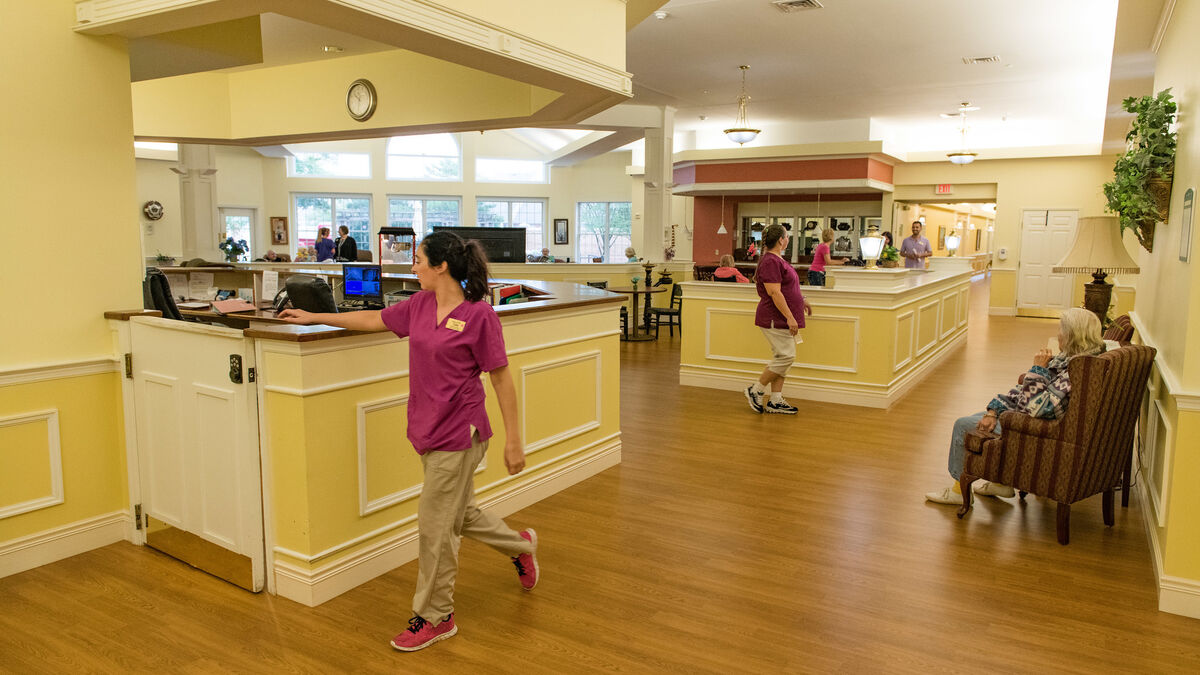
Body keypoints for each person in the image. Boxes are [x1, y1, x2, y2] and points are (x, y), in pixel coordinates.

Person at [277, 231, 538, 652]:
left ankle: (436, 615)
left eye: (418, 260)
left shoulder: (479, 316)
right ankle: (520, 545)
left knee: (436, 527)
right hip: (427, 426)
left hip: (460, 431)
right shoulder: (419, 305)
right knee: (459, 514)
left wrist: (515, 440)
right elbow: (373, 319)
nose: (413, 267)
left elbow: (501, 377)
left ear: (441, 266)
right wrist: (314, 317)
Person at [925, 308, 1105, 506]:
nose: (1058, 334)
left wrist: (1037, 370)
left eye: (1061, 329)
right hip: (1025, 419)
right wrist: (993, 411)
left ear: (1072, 335)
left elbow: (1038, 408)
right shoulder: (1072, 361)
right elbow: (1022, 391)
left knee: (963, 425)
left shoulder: (1075, 371)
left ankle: (959, 492)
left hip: (1031, 428)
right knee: (980, 417)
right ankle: (1001, 483)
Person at [745, 223, 811, 415]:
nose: (787, 239)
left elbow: (787, 288)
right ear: (781, 240)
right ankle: (756, 389)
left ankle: (775, 400)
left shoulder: (776, 260)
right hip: (774, 317)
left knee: (782, 358)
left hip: (781, 317)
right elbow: (774, 292)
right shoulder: (771, 261)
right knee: (787, 356)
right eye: (787, 236)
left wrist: (802, 300)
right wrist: (790, 317)